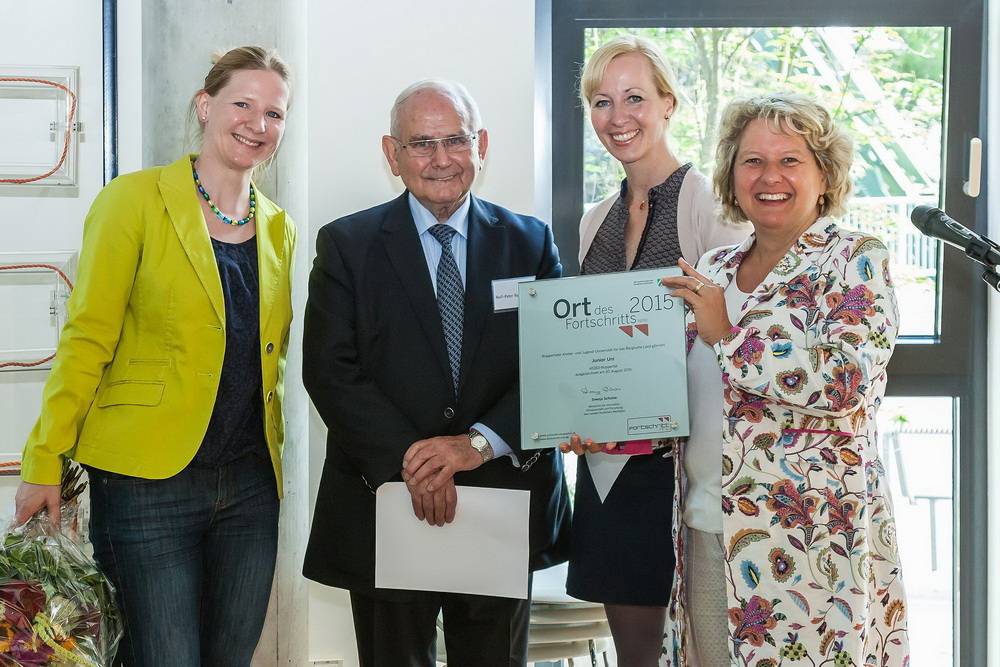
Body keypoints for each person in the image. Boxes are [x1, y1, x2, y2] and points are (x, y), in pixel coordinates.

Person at [14, 46, 296, 666]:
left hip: (250, 487)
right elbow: (87, 338)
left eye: (275, 113)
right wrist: (43, 458)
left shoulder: (279, 227)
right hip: (147, 486)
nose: (257, 124)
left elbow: (268, 362)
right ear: (204, 105)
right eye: (243, 104)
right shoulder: (133, 200)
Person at [301, 79, 571, 667]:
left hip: (501, 496)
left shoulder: (530, 242)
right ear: (391, 153)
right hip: (386, 498)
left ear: (482, 145)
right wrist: (418, 463)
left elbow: (554, 364)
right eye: (422, 144)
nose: (441, 159)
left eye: (456, 140)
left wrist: (476, 444)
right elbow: (329, 371)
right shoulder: (347, 244)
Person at [660, 92, 909, 666]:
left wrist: (728, 335)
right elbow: (686, 393)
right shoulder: (715, 269)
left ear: (824, 174)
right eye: (752, 161)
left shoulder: (854, 259)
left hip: (814, 544)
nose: (769, 176)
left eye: (790, 160)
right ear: (732, 174)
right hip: (707, 529)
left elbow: (844, 382)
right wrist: (612, 424)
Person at [560, 35, 749, 666]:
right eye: (602, 102)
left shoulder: (712, 207)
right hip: (611, 470)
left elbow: (735, 338)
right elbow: (591, 347)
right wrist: (574, 412)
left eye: (635, 98)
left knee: (697, 649)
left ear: (669, 103)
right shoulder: (595, 219)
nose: (618, 117)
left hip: (680, 473)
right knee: (636, 656)